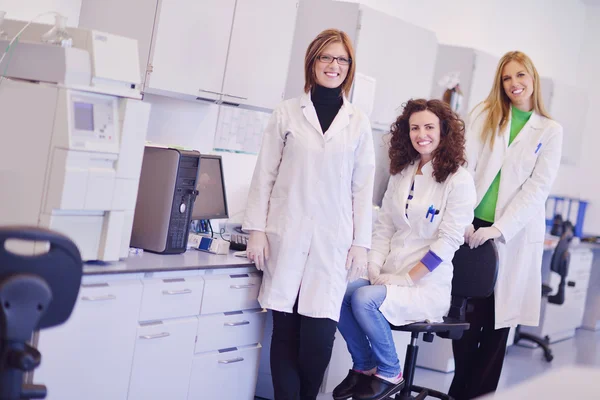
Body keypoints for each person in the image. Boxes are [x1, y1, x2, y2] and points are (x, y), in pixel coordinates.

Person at [242, 29, 376, 400]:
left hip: (332, 243)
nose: (333, 66)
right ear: (312, 62)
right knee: (284, 335)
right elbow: (264, 174)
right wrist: (255, 229)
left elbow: (362, 189)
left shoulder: (357, 122)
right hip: (285, 235)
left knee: (317, 341)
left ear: (349, 68)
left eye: (341, 60)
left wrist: (361, 244)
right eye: (326, 58)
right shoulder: (286, 113)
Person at [332, 99, 476, 400]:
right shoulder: (402, 173)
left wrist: (408, 278)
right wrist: (373, 265)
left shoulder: (459, 180)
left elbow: (448, 242)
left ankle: (390, 372)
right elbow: (384, 225)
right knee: (339, 291)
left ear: (444, 131)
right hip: (389, 274)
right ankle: (364, 367)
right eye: (414, 128)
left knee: (364, 299)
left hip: (425, 284)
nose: (421, 134)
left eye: (429, 127)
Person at [449, 51, 563, 400]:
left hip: (512, 233)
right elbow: (464, 167)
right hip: (472, 227)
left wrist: (499, 229)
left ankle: (479, 394)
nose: (514, 84)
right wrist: (465, 217)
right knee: (465, 319)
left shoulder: (550, 130)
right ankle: (459, 389)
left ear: (533, 78)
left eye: (520, 76)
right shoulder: (486, 114)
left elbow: (537, 188)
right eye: (506, 78)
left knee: (498, 325)